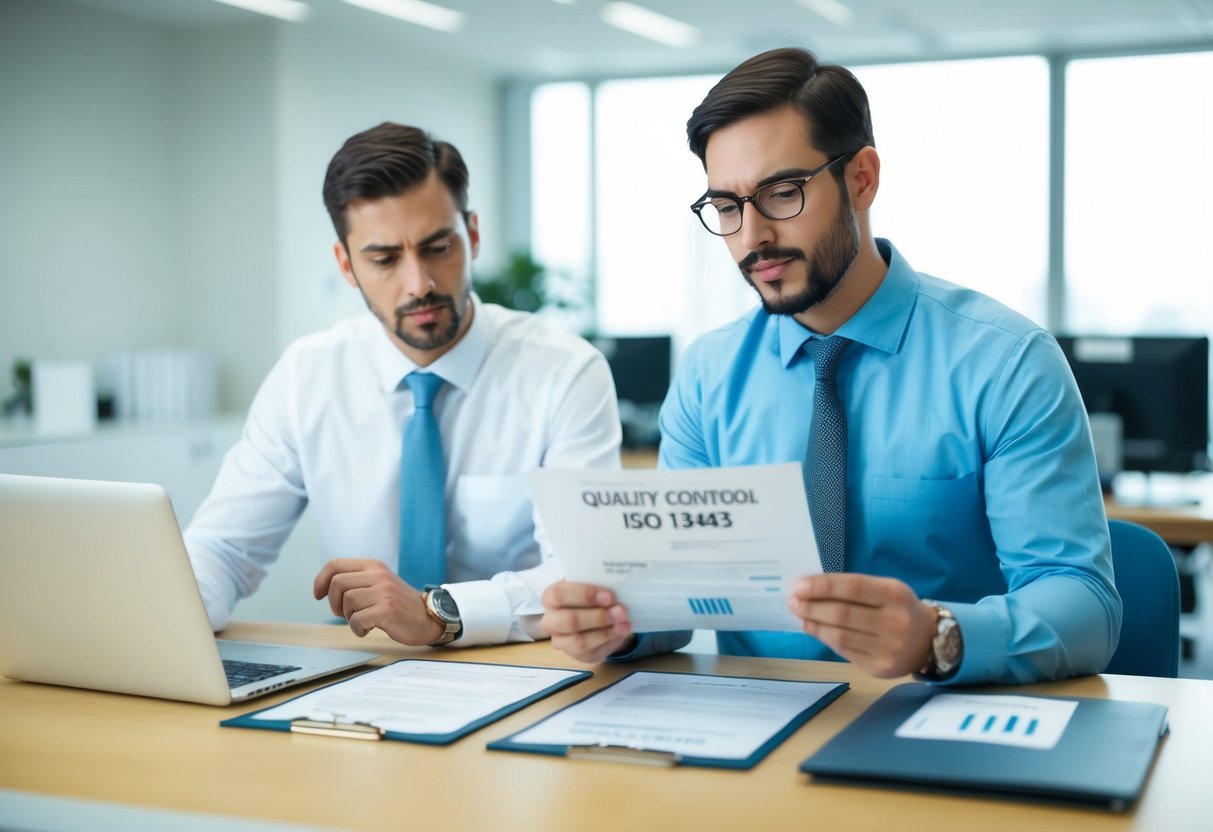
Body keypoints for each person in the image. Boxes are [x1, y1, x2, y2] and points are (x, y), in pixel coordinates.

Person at [540, 48, 1121, 685]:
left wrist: (939, 638)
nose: (752, 236)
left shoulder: (1006, 363)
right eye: (728, 207)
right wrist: (617, 621)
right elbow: (678, 596)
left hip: (941, 718)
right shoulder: (709, 376)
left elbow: (1083, 605)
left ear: (862, 179)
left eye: (781, 193)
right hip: (753, 732)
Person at [185, 122, 621, 648]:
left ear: (474, 235)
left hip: (522, 666)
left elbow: (583, 578)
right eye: (385, 259)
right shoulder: (307, 376)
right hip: (363, 667)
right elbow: (224, 549)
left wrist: (438, 613)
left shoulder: (564, 373)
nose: (420, 284)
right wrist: (171, 610)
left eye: (438, 247)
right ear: (346, 265)